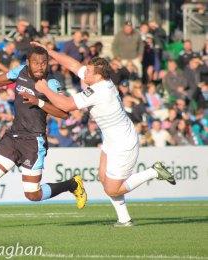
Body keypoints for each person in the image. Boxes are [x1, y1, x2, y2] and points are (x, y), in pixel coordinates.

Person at [28, 42, 176, 227]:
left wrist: (45, 90)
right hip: (111, 138)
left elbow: (66, 105)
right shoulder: (100, 80)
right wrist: (50, 52)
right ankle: (124, 220)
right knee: (103, 178)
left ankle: (154, 171)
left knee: (112, 189)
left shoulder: (99, 90)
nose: (84, 73)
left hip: (123, 142)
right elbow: (73, 65)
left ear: (98, 75)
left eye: (88, 71)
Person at [0, 46, 87, 231]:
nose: (40, 67)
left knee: (32, 195)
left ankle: (72, 184)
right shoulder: (20, 71)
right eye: (36, 62)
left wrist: (39, 102)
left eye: (44, 63)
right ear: (28, 62)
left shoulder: (51, 83)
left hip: (33, 142)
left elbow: (65, 113)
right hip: (13, 137)